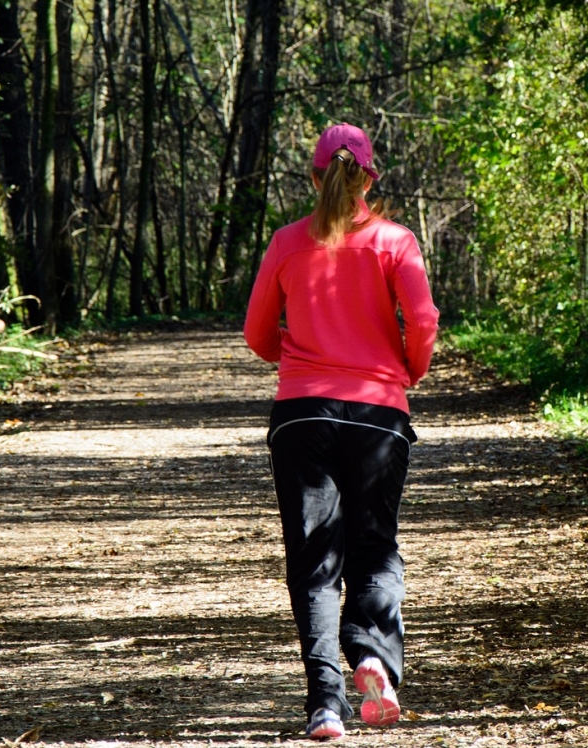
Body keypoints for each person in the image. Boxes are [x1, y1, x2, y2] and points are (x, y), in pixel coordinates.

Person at [243, 122, 439, 740]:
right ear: (368, 177)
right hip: (379, 412)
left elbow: (256, 334)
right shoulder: (394, 240)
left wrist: (297, 356)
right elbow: (424, 318)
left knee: (315, 562)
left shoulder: (285, 243)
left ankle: (326, 704)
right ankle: (374, 658)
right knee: (375, 544)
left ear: (314, 175)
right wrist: (407, 369)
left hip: (302, 414)